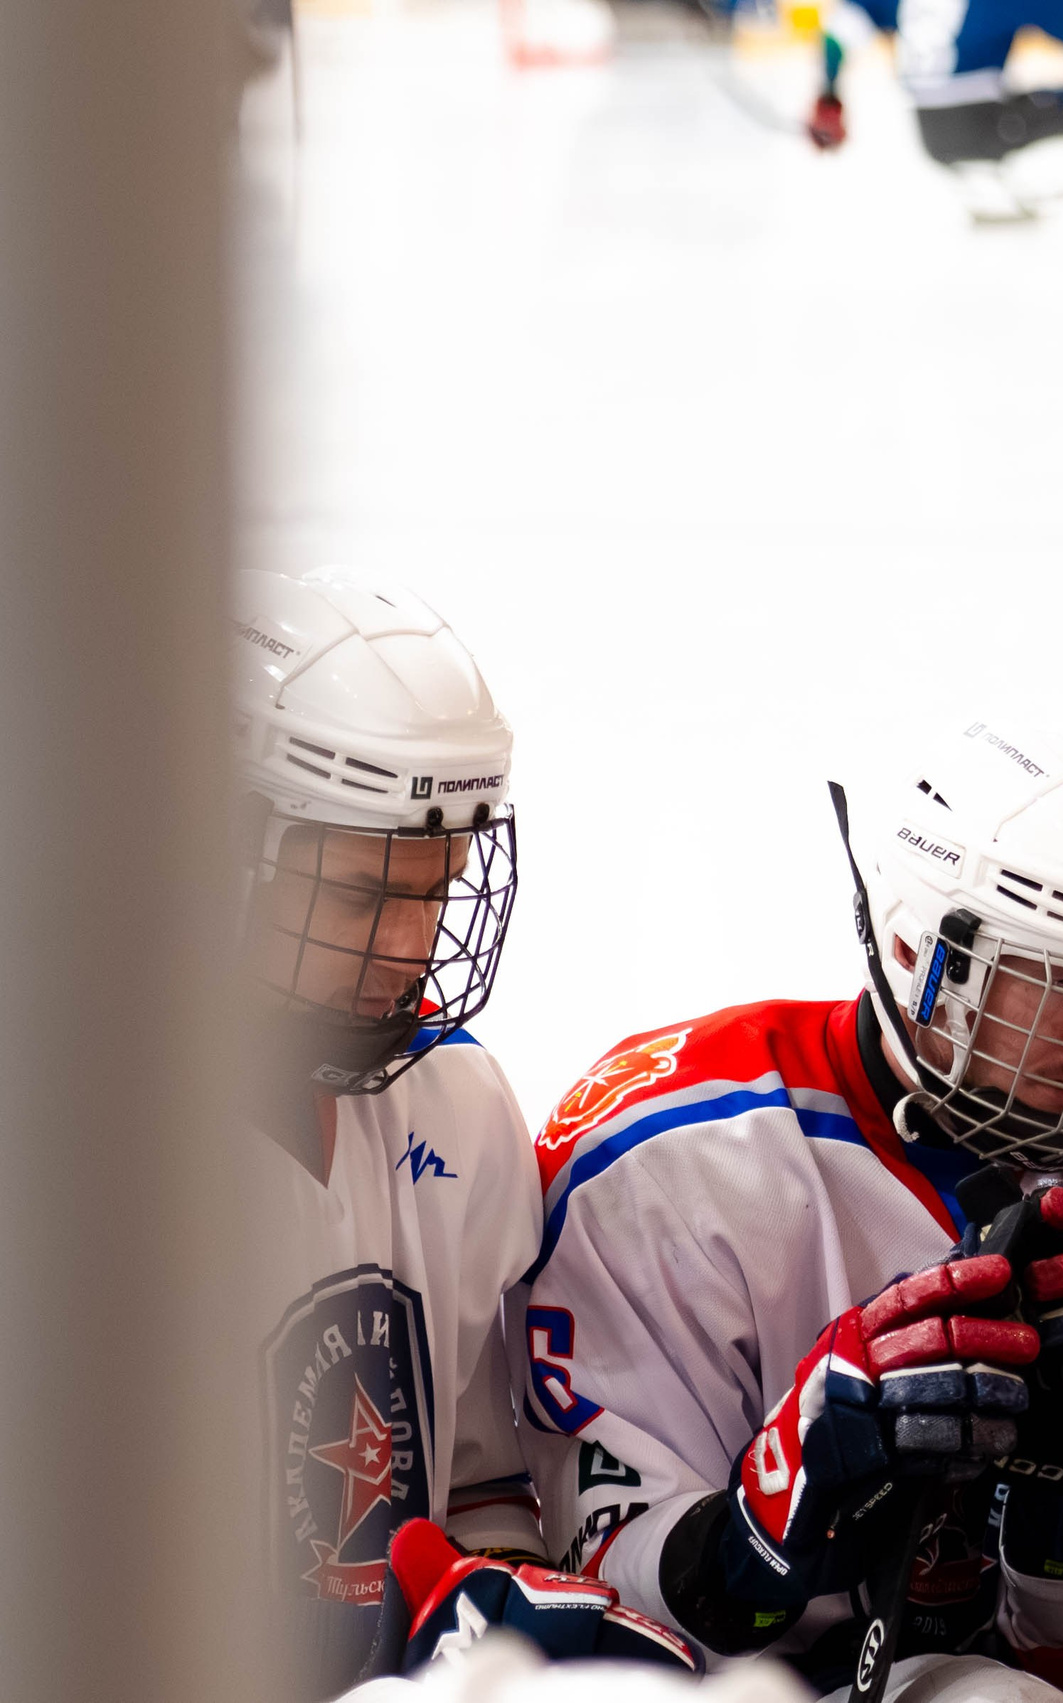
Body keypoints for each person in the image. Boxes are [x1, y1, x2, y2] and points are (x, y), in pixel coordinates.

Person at [519, 715, 1063, 1700]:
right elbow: (603, 1621)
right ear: (917, 949)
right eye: (1057, 976)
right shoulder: (663, 1155)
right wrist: (787, 1491)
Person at [236, 569, 689, 1691]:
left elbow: (480, 1484)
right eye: (359, 895)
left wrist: (503, 1606)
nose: (410, 948)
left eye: (435, 889)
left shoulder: (458, 1099)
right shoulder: (78, 1143)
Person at [802, 0, 1063, 197]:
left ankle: (981, 183)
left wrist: (828, 94)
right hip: (983, 125)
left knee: (1020, 103)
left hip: (928, 134)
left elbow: (843, 25)